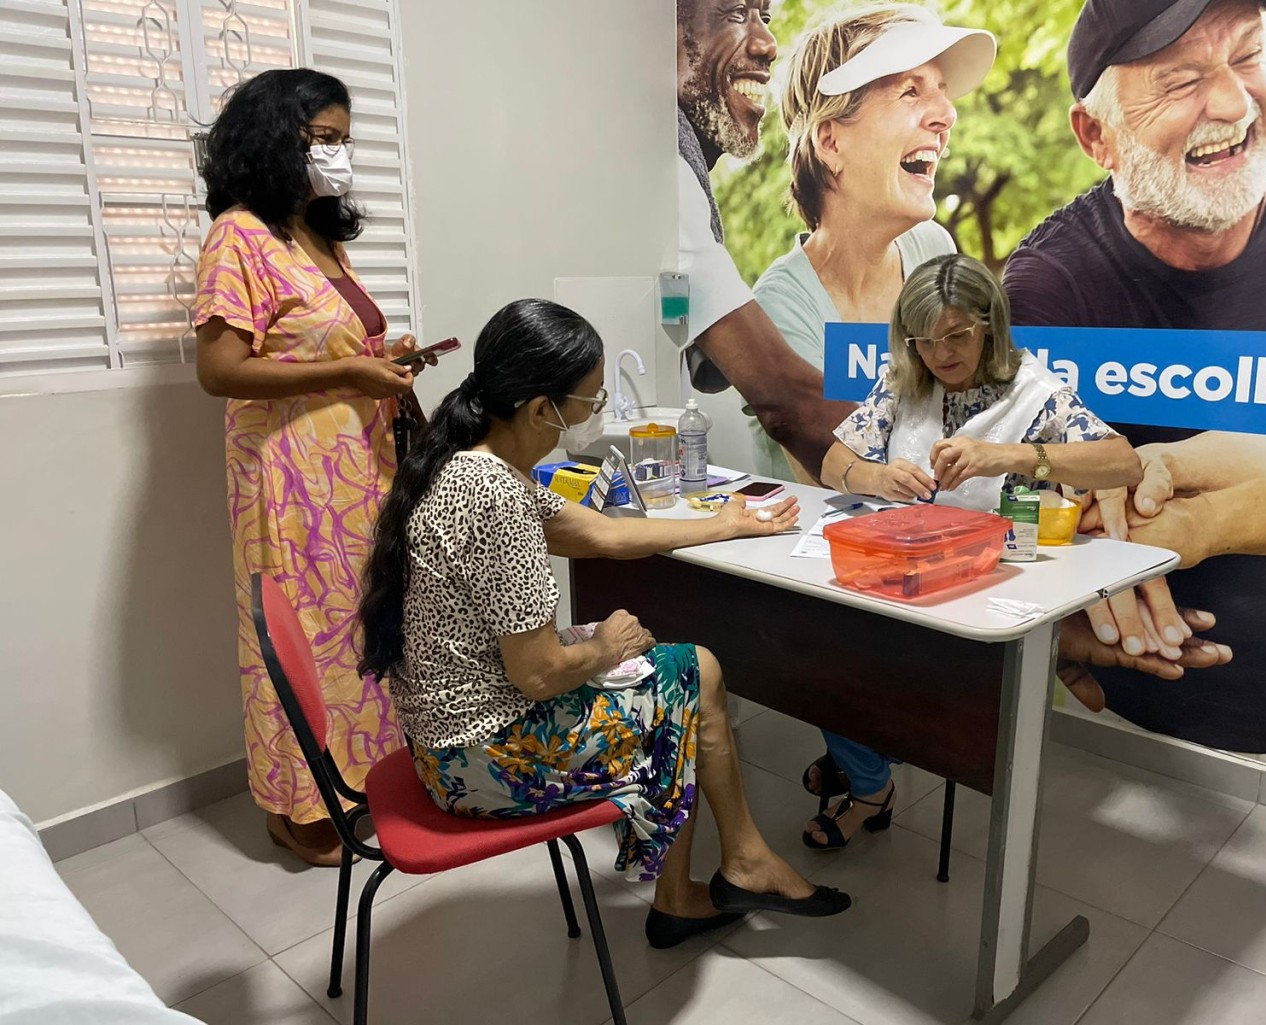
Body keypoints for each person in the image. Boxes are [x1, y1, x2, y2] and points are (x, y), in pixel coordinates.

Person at [356, 298, 852, 949]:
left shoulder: (462, 461)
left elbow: (592, 530)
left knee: (686, 667)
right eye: (588, 402)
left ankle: (731, 864)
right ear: (541, 409)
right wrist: (605, 644)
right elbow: (536, 673)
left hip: (445, 740)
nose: (593, 415)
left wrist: (728, 522)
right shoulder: (497, 498)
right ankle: (721, 874)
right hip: (483, 761)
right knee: (692, 675)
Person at [1003, 0, 1266, 756]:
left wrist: (1194, 512)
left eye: (1247, 55)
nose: (1233, 102)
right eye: (1180, 81)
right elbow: (1027, 519)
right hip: (1145, 727)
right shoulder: (1048, 291)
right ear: (1094, 136)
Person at [796, 254, 1146, 848]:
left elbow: (1124, 461)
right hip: (900, 571)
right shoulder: (904, 381)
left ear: (991, 323)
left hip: (984, 588)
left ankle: (869, 775)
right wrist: (874, 478)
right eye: (924, 341)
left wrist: (1015, 457)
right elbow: (834, 459)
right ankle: (868, 756)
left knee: (864, 668)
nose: (941, 354)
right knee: (817, 645)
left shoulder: (1035, 394)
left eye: (957, 335)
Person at [193, 69, 435, 866]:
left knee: (356, 632)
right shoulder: (239, 235)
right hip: (287, 479)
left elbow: (327, 344)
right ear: (274, 140)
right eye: (320, 140)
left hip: (357, 472)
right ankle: (298, 809)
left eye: (342, 139)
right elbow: (222, 369)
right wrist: (347, 375)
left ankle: (363, 781)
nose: (337, 155)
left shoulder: (319, 235)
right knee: (299, 637)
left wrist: (382, 360)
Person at [749, 4, 996, 480]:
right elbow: (837, 474)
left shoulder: (932, 250)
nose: (947, 115)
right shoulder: (782, 306)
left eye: (942, 93)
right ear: (831, 142)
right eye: (909, 91)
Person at [676, 0, 857, 477]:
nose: (766, 44)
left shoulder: (930, 247)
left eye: (766, 17)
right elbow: (783, 399)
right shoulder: (661, 173)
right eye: (736, 14)